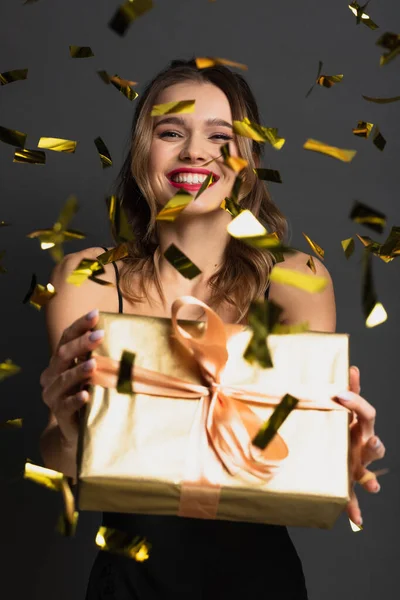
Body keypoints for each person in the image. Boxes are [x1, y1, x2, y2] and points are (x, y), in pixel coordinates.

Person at [39, 59, 385, 599]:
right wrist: (66, 431)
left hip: (260, 582)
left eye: (219, 136)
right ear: (140, 155)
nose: (195, 152)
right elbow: (68, 471)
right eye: (170, 131)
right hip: (130, 584)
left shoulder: (296, 280)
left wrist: (335, 459)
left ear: (245, 161)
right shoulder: (89, 279)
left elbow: (287, 462)